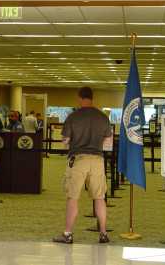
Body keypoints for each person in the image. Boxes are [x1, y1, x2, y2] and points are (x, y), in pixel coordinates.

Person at [53, 86, 112, 245]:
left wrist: (71, 142)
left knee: (73, 197)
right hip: (98, 160)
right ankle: (103, 233)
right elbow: (108, 141)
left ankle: (68, 234)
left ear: (80, 98)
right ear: (92, 98)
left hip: (78, 160)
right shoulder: (102, 117)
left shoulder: (73, 117)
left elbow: (65, 140)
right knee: (99, 197)